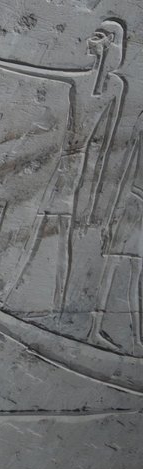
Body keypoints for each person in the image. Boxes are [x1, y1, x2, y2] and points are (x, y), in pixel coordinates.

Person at [0, 20, 126, 312]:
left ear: (110, 44)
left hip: (82, 174)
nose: (89, 44)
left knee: (61, 235)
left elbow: (108, 143)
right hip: (65, 166)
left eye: (97, 39)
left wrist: (96, 206)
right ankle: (11, 294)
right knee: (42, 228)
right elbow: (38, 71)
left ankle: (55, 306)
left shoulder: (115, 87)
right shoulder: (81, 79)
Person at [89, 112, 143, 350]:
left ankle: (136, 338)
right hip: (131, 208)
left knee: (135, 275)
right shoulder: (138, 138)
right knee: (113, 268)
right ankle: (95, 329)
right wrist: (109, 220)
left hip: (137, 211)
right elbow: (122, 177)